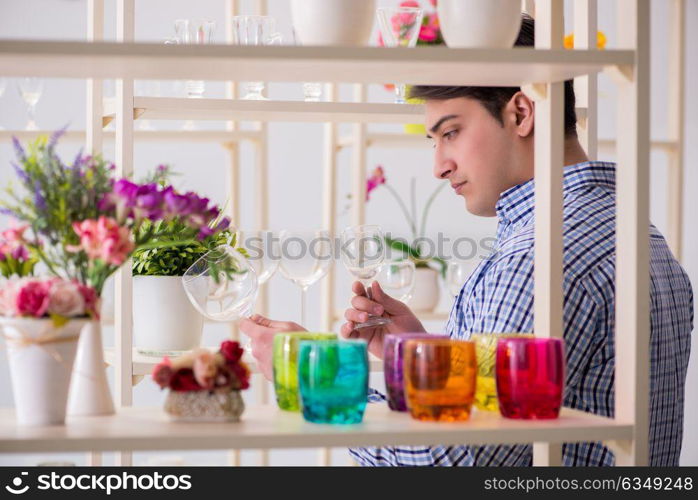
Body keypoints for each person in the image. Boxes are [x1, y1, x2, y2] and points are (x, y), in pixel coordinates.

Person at [239, 15, 693, 466]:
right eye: (432, 141)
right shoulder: (634, 231)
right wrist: (419, 354)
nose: (439, 166)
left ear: (521, 112)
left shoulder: (538, 261)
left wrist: (311, 379)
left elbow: (449, 463)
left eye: (451, 133)